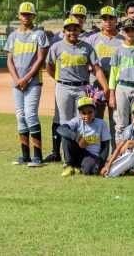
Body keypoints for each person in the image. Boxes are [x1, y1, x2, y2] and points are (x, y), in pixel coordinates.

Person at [46, 17, 108, 164]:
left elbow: (97, 69)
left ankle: (81, 155)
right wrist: (59, 79)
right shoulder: (56, 47)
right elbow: (49, 66)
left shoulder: (87, 47)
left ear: (80, 30)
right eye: (69, 29)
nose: (72, 32)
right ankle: (68, 158)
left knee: (82, 121)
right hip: (63, 87)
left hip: (82, 87)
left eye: (75, 29)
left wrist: (105, 87)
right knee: (65, 123)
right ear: (64, 31)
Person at [6, 2, 50, 167]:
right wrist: (17, 79)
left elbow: (40, 59)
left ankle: (37, 156)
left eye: (29, 14)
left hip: (33, 82)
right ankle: (25, 155)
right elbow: (9, 60)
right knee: (20, 116)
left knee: (30, 115)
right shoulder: (13, 36)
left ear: (33, 16)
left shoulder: (39, 34)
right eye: (23, 14)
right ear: (19, 16)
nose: (25, 16)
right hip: (17, 83)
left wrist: (26, 79)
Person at [86, 6, 124, 135]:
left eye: (111, 18)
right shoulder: (92, 39)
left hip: (117, 86)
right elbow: (84, 61)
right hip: (96, 86)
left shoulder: (123, 40)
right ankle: (96, 153)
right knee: (95, 121)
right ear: (101, 21)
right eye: (104, 18)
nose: (108, 21)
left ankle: (116, 153)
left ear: (116, 20)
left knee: (117, 122)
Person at [57, 97, 111, 177]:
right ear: (79, 113)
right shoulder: (77, 121)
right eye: (83, 113)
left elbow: (105, 146)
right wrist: (78, 138)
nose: (87, 115)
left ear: (95, 111)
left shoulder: (101, 124)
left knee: (88, 171)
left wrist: (101, 163)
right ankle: (68, 166)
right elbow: (60, 129)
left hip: (92, 155)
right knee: (66, 136)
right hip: (79, 152)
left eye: (90, 112)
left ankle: (78, 168)